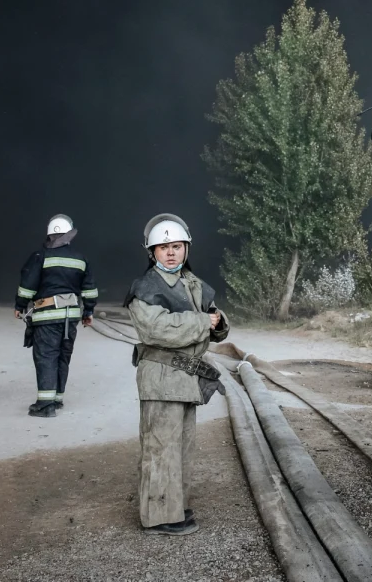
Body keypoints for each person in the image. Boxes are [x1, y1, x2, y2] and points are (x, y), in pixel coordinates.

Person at [125, 213, 229, 536]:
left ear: (186, 248)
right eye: (163, 247)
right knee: (160, 449)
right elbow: (157, 329)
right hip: (160, 378)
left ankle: (176, 507)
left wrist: (220, 323)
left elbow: (215, 321)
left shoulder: (192, 284)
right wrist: (203, 323)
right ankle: (158, 517)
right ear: (152, 252)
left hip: (186, 381)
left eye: (177, 246)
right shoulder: (144, 288)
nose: (171, 252)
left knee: (182, 449)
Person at [14, 214, 97, 417]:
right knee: (63, 356)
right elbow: (89, 290)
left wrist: (20, 305)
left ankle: (45, 405)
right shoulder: (80, 258)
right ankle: (57, 399)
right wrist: (88, 311)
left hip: (47, 317)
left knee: (46, 357)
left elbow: (28, 285)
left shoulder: (40, 256)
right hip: (71, 318)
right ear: (69, 235)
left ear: (50, 235)